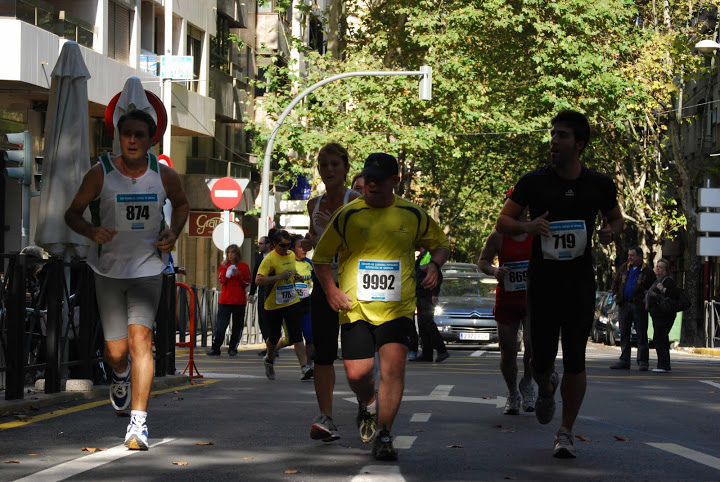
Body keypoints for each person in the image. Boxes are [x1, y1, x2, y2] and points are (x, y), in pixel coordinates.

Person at [496, 110, 623, 459]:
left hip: (579, 283)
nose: (553, 140)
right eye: (552, 134)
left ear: (579, 144)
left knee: (577, 359)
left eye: (562, 135)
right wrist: (528, 226)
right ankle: (546, 385)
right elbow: (503, 220)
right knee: (540, 360)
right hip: (543, 284)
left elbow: (616, 218)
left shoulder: (598, 184)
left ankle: (565, 431)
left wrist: (612, 231)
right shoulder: (534, 182)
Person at [65, 109, 189, 451]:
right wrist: (91, 230)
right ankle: (120, 377)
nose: (132, 140)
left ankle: (138, 424)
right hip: (108, 271)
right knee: (117, 352)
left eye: (139, 134)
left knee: (141, 342)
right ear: (118, 138)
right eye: (126, 134)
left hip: (149, 269)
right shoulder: (99, 173)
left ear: (151, 140)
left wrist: (173, 231)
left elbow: (181, 206)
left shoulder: (164, 176)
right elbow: (71, 214)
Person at [314, 152, 450, 461]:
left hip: (397, 307)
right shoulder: (348, 214)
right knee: (358, 374)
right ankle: (368, 403)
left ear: (395, 181)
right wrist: (331, 290)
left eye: (379, 180)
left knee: (393, 370)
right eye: (368, 179)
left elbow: (440, 245)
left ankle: (385, 434)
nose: (372, 185)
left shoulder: (413, 214)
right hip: (355, 307)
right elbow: (322, 259)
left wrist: (435, 266)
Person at [304, 143, 361, 442]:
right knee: (323, 354)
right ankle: (326, 417)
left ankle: (368, 405)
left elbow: (366, 243)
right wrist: (306, 243)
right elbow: (315, 239)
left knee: (356, 354)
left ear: (346, 168)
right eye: (323, 165)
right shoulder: (313, 204)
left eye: (335, 164)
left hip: (353, 286)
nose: (328, 170)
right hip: (323, 284)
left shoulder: (357, 201)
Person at [478, 188, 535, 414]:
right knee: (508, 351)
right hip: (507, 300)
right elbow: (482, 261)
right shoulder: (498, 235)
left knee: (532, 348)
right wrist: (493, 271)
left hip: (532, 300)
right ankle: (513, 392)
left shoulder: (537, 232)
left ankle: (528, 384)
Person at [255, 229, 308, 380]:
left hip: (292, 300)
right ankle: (269, 360)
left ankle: (304, 367)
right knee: (274, 337)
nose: (286, 249)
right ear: (273, 244)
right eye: (282, 245)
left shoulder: (291, 255)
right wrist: (279, 277)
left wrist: (295, 276)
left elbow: (289, 272)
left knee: (297, 335)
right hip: (274, 304)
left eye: (288, 245)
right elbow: (258, 280)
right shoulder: (269, 260)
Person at [609, 246, 655, 371]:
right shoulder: (624, 268)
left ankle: (643, 361)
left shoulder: (647, 271)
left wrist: (646, 300)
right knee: (624, 333)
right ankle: (624, 360)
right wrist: (615, 295)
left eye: (632, 255)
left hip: (639, 305)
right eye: (629, 255)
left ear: (640, 256)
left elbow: (653, 288)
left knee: (641, 334)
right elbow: (615, 283)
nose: (630, 257)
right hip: (624, 304)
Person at [207, 244, 251, 356]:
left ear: (237, 254)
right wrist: (225, 270)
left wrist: (238, 275)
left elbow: (246, 282)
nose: (230, 255)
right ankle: (216, 347)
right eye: (229, 253)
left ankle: (233, 348)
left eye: (233, 252)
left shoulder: (244, 266)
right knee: (221, 326)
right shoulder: (224, 266)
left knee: (237, 326)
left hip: (239, 301)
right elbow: (221, 280)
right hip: (225, 300)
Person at [413, 249, 449, 363]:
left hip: (427, 292)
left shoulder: (429, 255)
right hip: (420, 293)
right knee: (422, 324)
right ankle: (426, 353)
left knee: (428, 323)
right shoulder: (421, 256)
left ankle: (442, 350)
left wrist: (434, 294)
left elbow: (437, 274)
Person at [645, 258, 680, 373]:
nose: (657, 268)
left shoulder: (667, 280)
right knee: (659, 338)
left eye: (660, 267)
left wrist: (663, 289)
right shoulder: (658, 279)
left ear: (665, 270)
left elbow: (675, 295)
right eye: (657, 266)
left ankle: (663, 365)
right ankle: (663, 364)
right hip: (658, 314)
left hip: (664, 315)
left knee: (660, 338)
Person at [250, 236, 272, 356]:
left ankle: (273, 346)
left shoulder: (274, 256)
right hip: (262, 291)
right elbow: (255, 274)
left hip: (273, 291)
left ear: (268, 245)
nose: (259, 245)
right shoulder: (258, 257)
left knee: (271, 319)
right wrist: (252, 293)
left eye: (261, 243)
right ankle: (268, 345)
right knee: (262, 319)